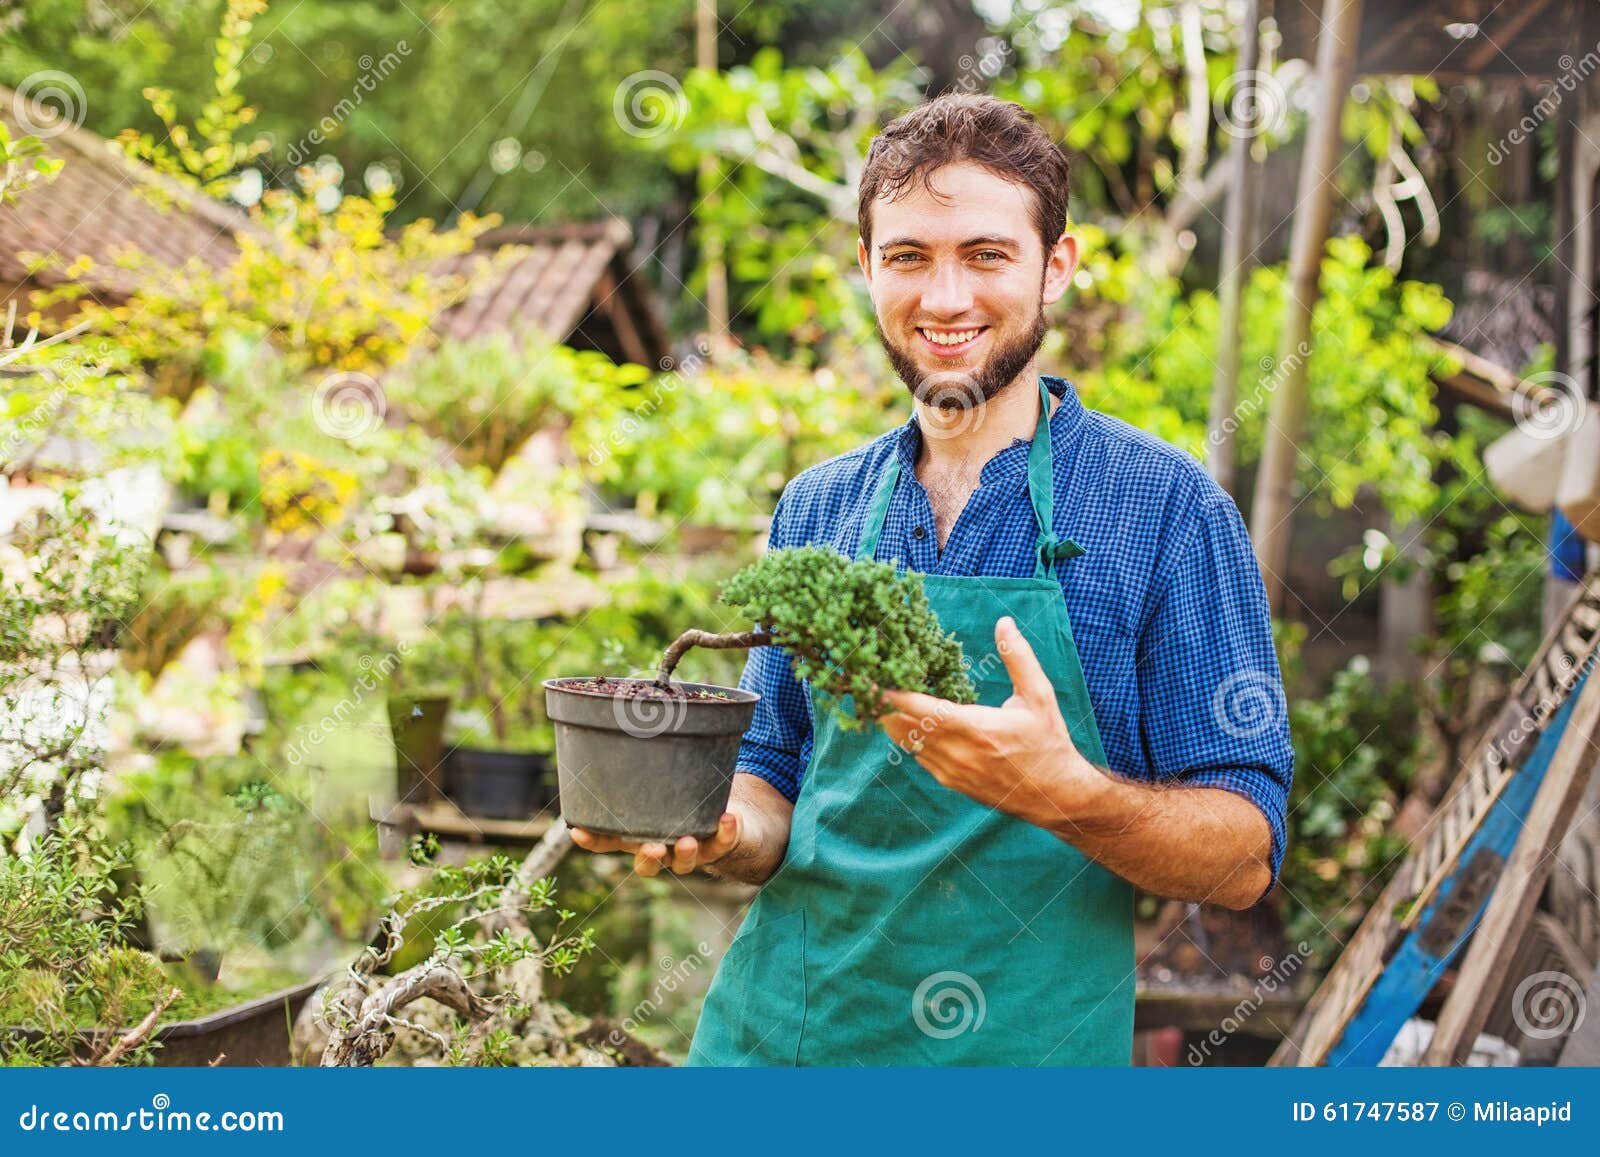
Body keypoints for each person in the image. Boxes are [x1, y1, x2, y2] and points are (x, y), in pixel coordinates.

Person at [570, 93, 1293, 1066]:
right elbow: (776, 777)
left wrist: (1066, 793)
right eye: (909, 256)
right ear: (867, 267)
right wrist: (724, 827)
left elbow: (1244, 855)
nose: (944, 297)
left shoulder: (1163, 509)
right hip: (781, 1041)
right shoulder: (817, 508)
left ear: (1057, 266)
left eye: (986, 255)